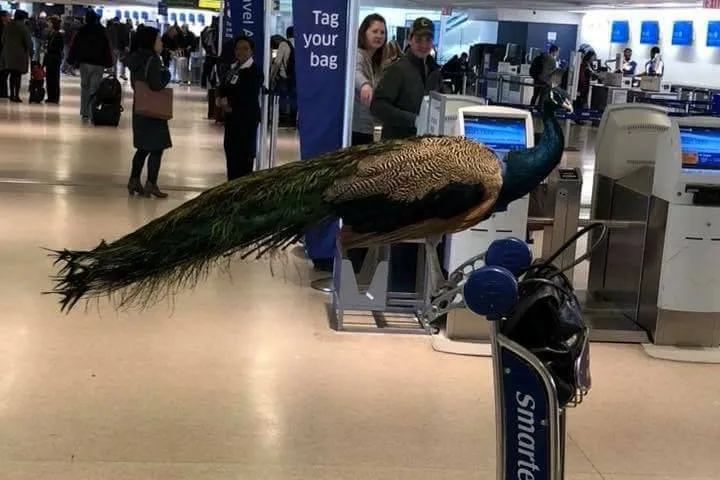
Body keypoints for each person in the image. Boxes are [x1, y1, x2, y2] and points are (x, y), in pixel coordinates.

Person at [370, 17, 444, 140]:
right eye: (418, 39)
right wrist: (413, 120)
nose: (423, 45)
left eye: (428, 40)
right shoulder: (397, 69)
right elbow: (377, 106)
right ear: (410, 39)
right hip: (397, 144)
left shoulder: (435, 72)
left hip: (426, 143)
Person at [123, 25, 172, 198]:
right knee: (157, 147)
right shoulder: (153, 59)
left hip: (140, 106)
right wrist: (167, 74)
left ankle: (134, 180)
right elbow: (156, 84)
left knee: (143, 147)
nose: (161, 42)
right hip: (154, 110)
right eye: (158, 39)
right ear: (150, 41)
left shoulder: (135, 59)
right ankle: (151, 183)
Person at [217, 34, 264, 181]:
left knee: (244, 158)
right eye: (238, 48)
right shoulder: (233, 68)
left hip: (246, 120)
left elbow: (248, 94)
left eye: (245, 48)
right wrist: (220, 98)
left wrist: (230, 102)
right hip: (231, 120)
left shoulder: (255, 71)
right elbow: (224, 86)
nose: (241, 52)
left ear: (251, 51)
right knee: (231, 155)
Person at [67, 10, 113, 121]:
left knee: (85, 87)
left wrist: (71, 60)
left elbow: (75, 46)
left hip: (85, 63)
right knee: (95, 88)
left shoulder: (81, 31)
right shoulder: (102, 31)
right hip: (99, 64)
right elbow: (107, 48)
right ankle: (93, 113)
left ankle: (84, 112)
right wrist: (109, 63)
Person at [352, 13, 387, 146]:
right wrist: (364, 85)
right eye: (374, 31)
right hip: (356, 127)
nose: (379, 36)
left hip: (367, 126)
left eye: (382, 32)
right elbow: (355, 71)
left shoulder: (376, 61)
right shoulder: (358, 54)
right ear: (364, 33)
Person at [0, 9, 32, 103]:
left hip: (7, 54)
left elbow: (2, 39)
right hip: (19, 55)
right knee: (17, 75)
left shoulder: (7, 26)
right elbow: (28, 42)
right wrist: (30, 52)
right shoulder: (23, 27)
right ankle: (16, 95)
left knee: (11, 75)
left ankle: (11, 94)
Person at [43, 15, 63, 104]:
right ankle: (50, 96)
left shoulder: (58, 34)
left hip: (54, 58)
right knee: (49, 78)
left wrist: (49, 49)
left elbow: (59, 48)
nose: (48, 24)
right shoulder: (51, 33)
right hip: (50, 57)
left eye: (50, 22)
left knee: (54, 78)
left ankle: (54, 97)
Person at [0, 10, 10, 99]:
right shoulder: (2, 27)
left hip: (3, 52)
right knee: (3, 73)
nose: (9, 17)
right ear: (2, 17)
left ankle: (3, 92)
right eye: (8, 16)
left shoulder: (5, 26)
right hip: (2, 52)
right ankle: (2, 92)